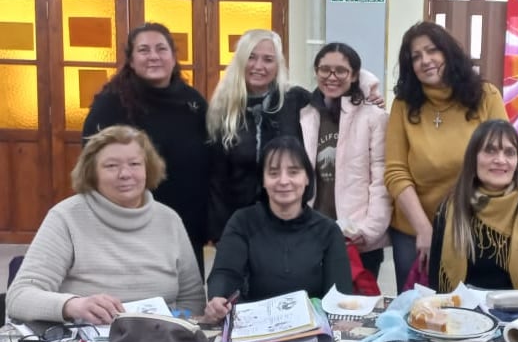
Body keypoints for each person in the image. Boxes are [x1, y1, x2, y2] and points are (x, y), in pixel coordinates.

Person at [7, 125, 206, 324]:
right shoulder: (66, 217)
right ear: (92, 173)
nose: (125, 174)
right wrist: (74, 305)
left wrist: (177, 326)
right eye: (111, 166)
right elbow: (20, 297)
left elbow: (192, 300)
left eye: (135, 164)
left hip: (160, 336)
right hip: (83, 335)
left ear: (148, 168)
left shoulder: (169, 220)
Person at [207, 29, 384, 243]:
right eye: (251, 57)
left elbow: (333, 86)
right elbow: (216, 179)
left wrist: (368, 89)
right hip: (240, 224)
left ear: (278, 65)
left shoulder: (295, 100)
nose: (258, 66)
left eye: (268, 59)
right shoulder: (223, 109)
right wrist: (219, 233)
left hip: (291, 223)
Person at [385, 21, 508, 292]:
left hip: (473, 226)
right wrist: (424, 229)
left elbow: (502, 163)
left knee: (467, 307)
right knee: (417, 309)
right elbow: (395, 171)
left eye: (432, 51)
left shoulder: (486, 96)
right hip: (414, 230)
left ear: (448, 52)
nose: (425, 61)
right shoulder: (403, 104)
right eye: (416, 57)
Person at [83, 22, 210, 275]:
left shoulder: (192, 102)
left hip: (186, 221)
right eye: (144, 50)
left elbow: (211, 156)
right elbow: (92, 164)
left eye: (161, 49)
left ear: (173, 57)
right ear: (131, 60)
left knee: (186, 290)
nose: (153, 56)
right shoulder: (111, 104)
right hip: (129, 220)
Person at [204, 136, 352, 323]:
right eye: (273, 173)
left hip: (313, 328)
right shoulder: (242, 222)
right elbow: (225, 273)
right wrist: (219, 297)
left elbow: (339, 295)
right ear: (263, 180)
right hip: (253, 326)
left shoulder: (328, 231)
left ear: (307, 177)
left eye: (293, 172)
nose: (283, 181)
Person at [429, 119, 518, 293]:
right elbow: (436, 286)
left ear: (517, 162)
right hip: (460, 308)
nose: (500, 160)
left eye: (509, 152)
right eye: (490, 150)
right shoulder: (449, 208)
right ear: (474, 158)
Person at [299, 42, 391, 276]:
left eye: (341, 71)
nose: (332, 77)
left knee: (356, 297)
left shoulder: (374, 117)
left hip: (357, 236)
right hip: (313, 231)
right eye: (324, 69)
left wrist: (369, 230)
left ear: (354, 75)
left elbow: (381, 179)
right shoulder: (306, 115)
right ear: (316, 71)